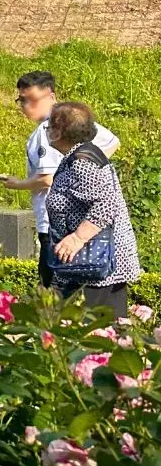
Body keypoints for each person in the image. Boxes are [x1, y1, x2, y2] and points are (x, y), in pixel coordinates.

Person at [0, 71, 119, 287]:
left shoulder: (50, 131)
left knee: (54, 295)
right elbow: (112, 142)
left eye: (31, 100)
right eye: (21, 100)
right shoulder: (76, 120)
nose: (25, 106)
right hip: (79, 225)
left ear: (51, 97)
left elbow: (47, 179)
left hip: (56, 226)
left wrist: (17, 184)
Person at [43, 102, 140, 317]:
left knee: (97, 336)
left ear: (59, 132)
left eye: (49, 126)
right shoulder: (78, 156)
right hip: (84, 263)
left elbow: (106, 205)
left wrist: (77, 238)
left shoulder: (83, 161)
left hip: (97, 265)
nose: (47, 130)